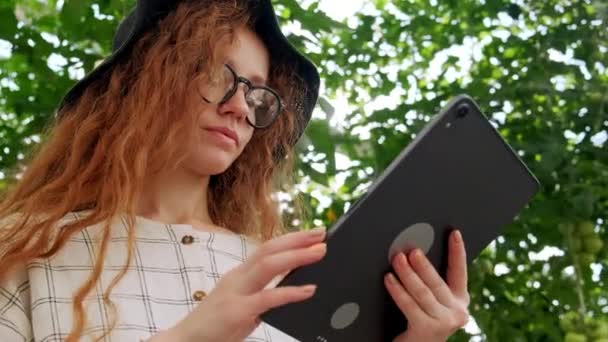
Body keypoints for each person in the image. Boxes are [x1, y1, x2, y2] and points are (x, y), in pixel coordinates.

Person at [0, 0, 470, 341]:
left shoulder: (283, 274)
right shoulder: (25, 248)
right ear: (141, 84)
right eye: (219, 75)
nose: (241, 107)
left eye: (258, 94)